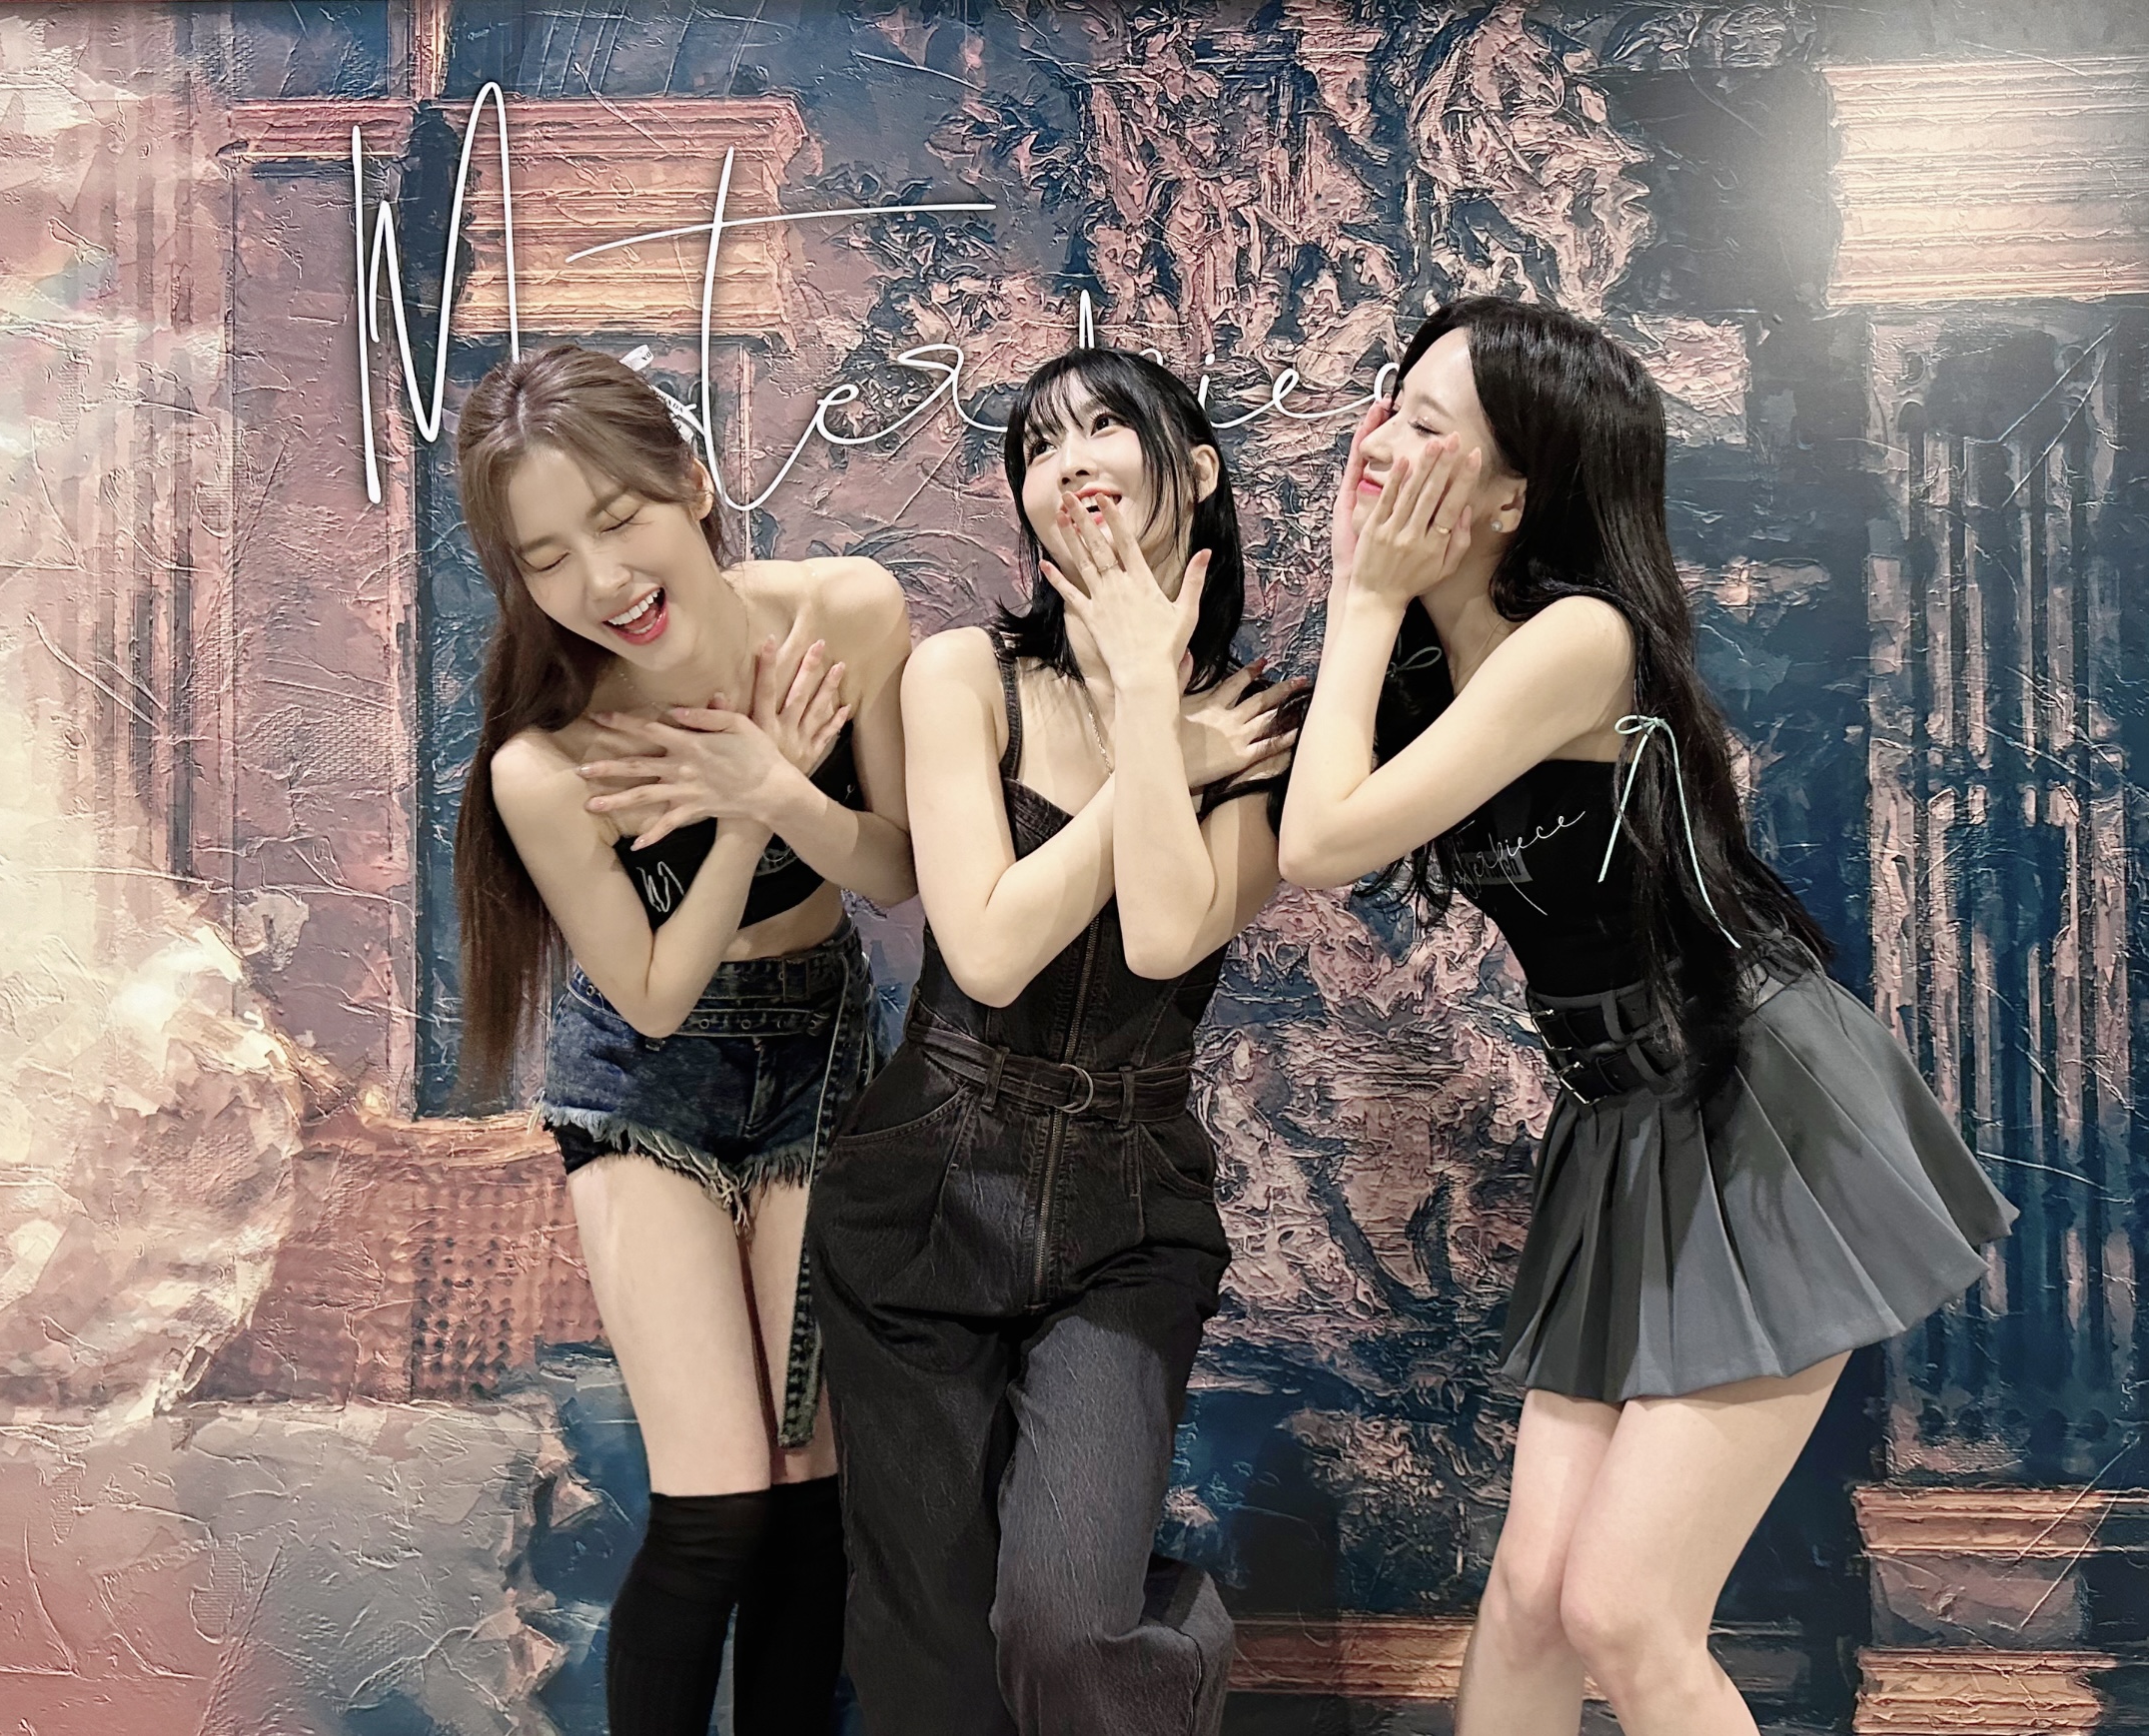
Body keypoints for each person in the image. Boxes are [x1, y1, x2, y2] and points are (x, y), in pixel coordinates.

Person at [1278, 298, 2014, 1736]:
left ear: (1513, 494)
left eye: (1427, 424)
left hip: (1757, 1103)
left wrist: (1359, 599)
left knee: (1623, 1610)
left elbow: (1320, 846)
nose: (1379, 441)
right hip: (1618, 1125)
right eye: (1389, 402)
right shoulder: (1421, 672)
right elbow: (1294, 831)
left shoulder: (1580, 640)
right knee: (1527, 1601)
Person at [807, 347, 1302, 1736]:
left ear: (1195, 471)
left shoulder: (1258, 725)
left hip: (1128, 1207)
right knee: (929, 1665)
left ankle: (1160, 1672)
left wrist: (1153, 704)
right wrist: (1164, 765)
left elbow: (1165, 934)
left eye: (1104, 428)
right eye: (1038, 445)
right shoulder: (962, 675)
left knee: (1068, 1633)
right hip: (927, 1184)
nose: (1069, 459)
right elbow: (987, 946)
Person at [451, 344, 916, 1735]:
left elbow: (896, 873)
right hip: (642, 1084)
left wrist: (777, 780)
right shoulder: (548, 762)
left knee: (810, 1500)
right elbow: (652, 992)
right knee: (718, 1503)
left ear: (692, 483)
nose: (601, 578)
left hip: (817, 1053)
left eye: (617, 518)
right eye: (547, 557)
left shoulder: (843, 615)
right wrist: (742, 814)